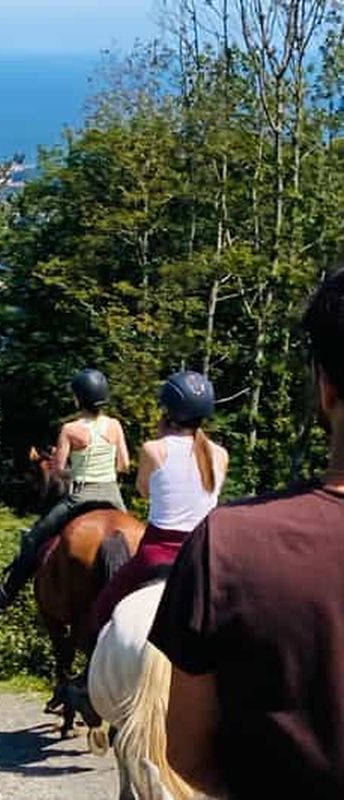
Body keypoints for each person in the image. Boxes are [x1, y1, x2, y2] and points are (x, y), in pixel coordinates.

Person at [149, 269, 344, 800]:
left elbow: (187, 755)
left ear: (326, 388)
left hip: (172, 544)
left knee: (106, 596)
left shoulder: (223, 538)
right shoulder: (217, 453)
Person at [70, 370, 228, 728]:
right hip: (203, 556)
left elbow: (143, 491)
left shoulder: (153, 449)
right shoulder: (219, 454)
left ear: (167, 410)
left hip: (156, 552)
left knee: (102, 609)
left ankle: (86, 683)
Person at [0, 368, 130, 609]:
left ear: (77, 399)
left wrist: (76, 472)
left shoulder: (70, 429)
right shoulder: (115, 425)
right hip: (113, 494)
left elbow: (59, 469)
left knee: (33, 538)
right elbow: (124, 465)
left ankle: (7, 592)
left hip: (81, 495)